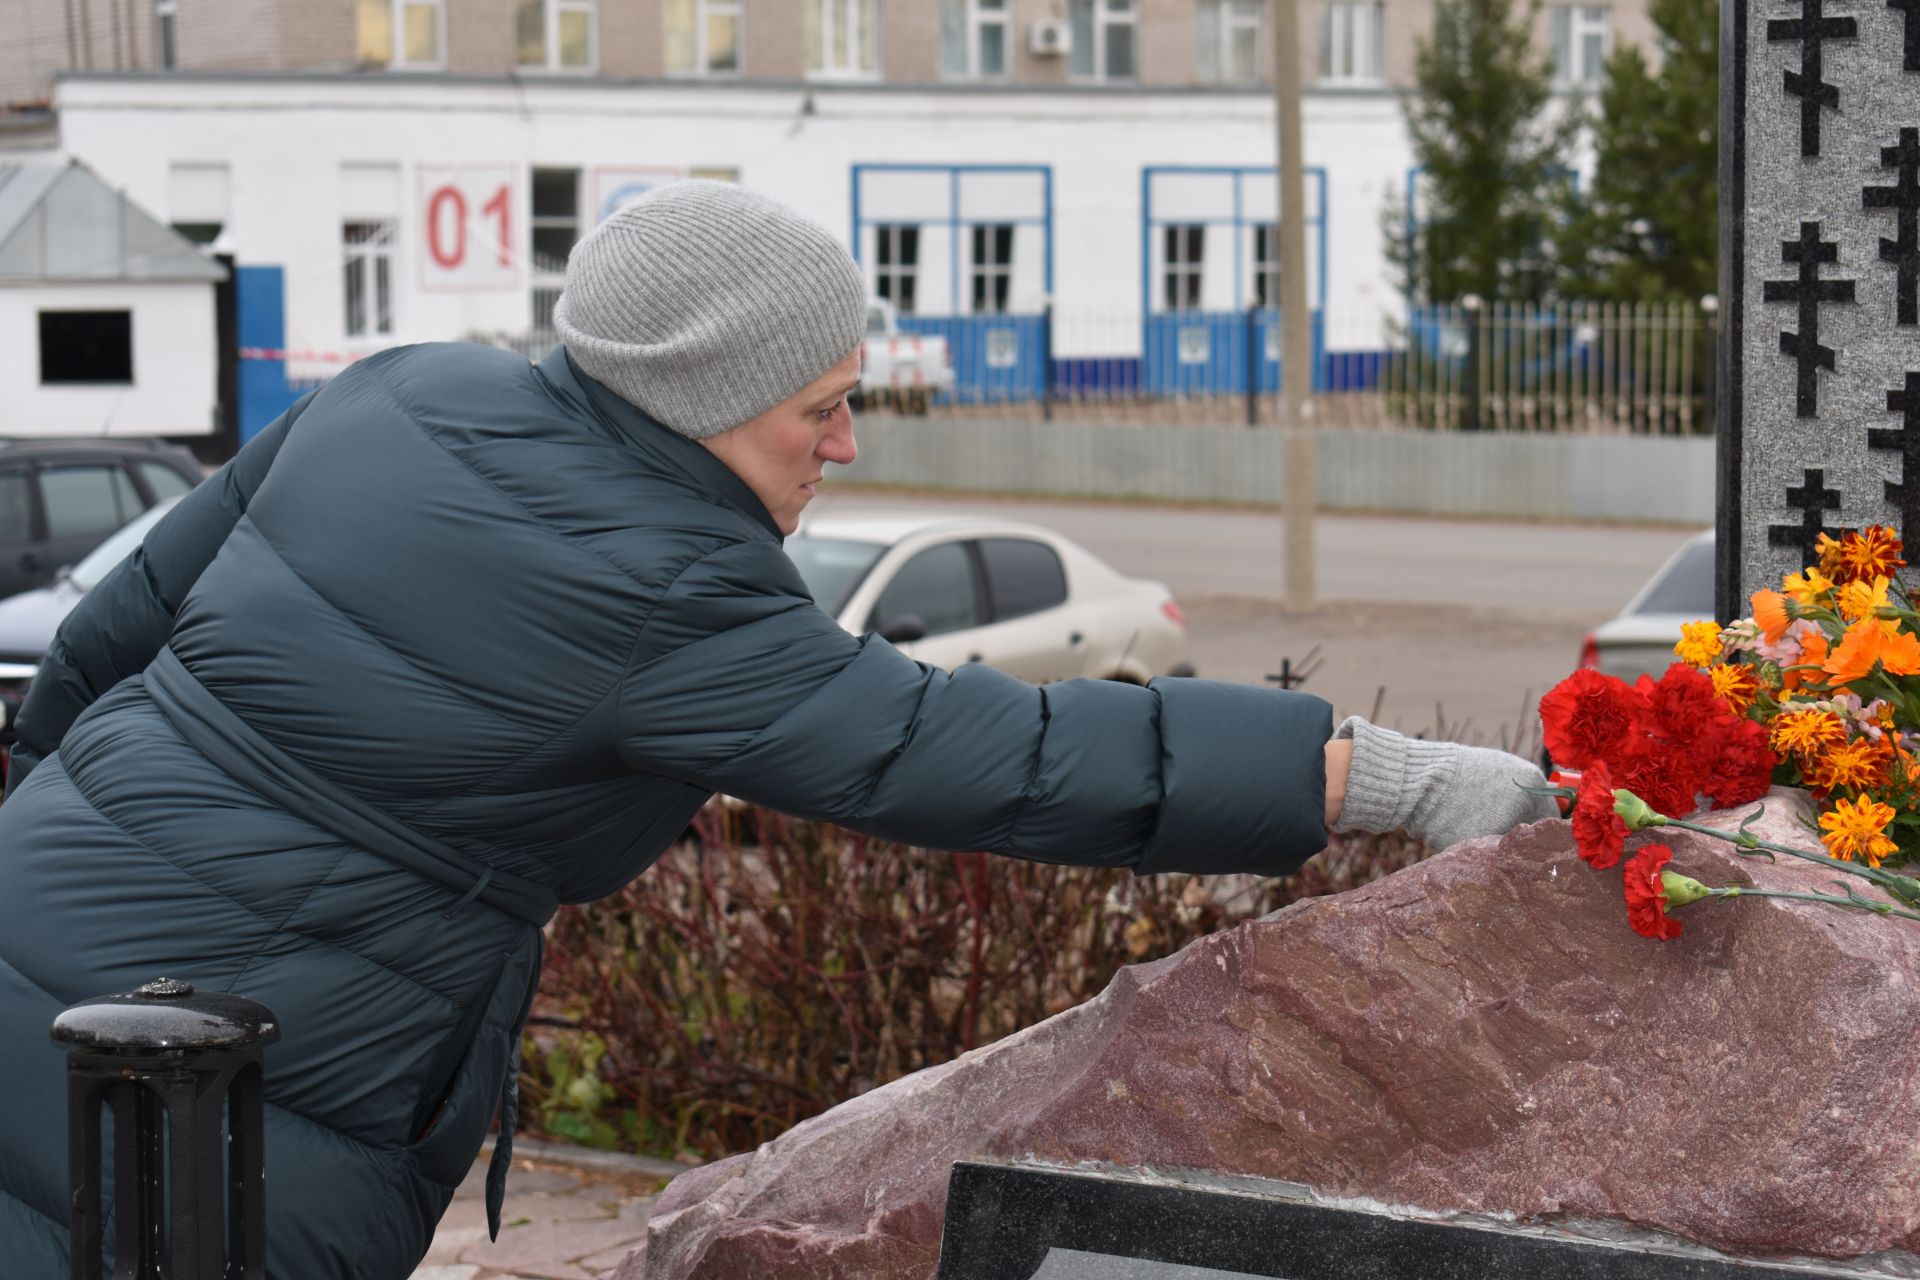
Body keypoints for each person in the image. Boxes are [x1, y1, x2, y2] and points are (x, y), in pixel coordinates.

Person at [0, 181, 1554, 1278]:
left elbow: (107, 634)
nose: (847, 441)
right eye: (819, 405)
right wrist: (1387, 776)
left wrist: (43, 827)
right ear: (700, 398)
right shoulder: (672, 593)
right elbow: (1000, 760)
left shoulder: (397, 395)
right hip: (244, 1091)